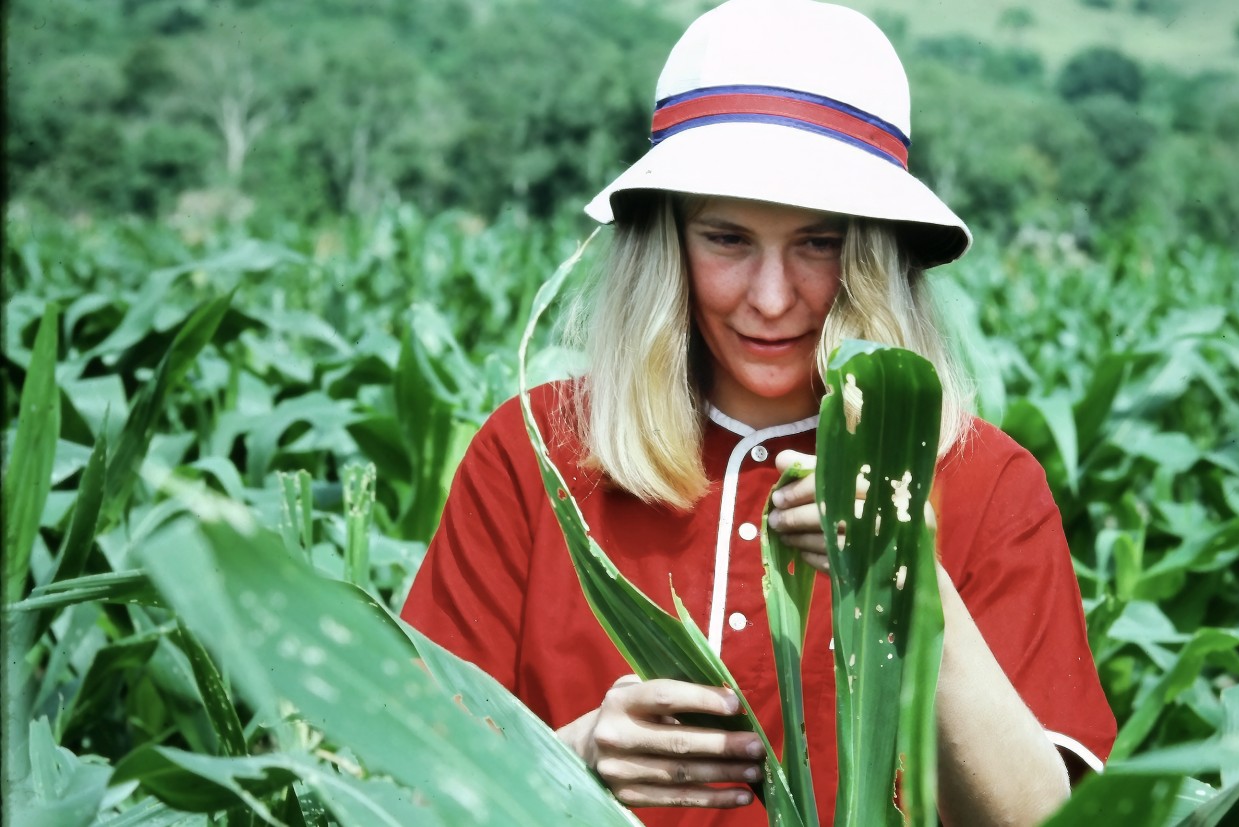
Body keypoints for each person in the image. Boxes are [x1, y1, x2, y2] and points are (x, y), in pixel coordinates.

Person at [401, 1, 1116, 824]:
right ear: (664, 242)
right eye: (727, 239)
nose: (772, 299)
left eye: (820, 242)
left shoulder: (986, 484)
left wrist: (914, 586)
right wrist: (575, 757)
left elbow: (1042, 819)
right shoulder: (535, 458)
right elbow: (406, 777)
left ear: (877, 251)